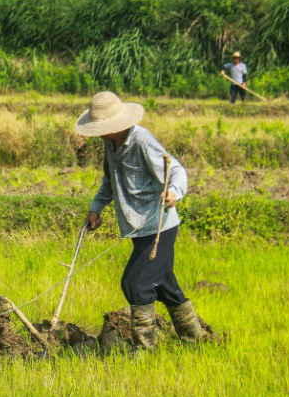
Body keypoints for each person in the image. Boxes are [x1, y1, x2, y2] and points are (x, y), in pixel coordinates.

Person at [76, 91, 206, 349]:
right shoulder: (109, 144)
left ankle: (146, 350)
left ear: (115, 125)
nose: (99, 132)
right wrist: (96, 208)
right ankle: (195, 341)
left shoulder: (142, 141)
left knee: (135, 283)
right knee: (165, 286)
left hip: (158, 227)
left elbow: (176, 169)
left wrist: (174, 192)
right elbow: (109, 181)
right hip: (137, 230)